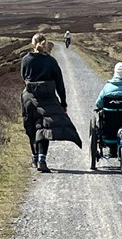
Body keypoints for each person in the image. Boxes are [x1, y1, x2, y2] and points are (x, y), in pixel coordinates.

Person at [21, 33, 82, 172]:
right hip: (48, 97)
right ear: (46, 44)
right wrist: (63, 102)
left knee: (31, 127)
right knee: (45, 127)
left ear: (33, 43)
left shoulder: (26, 60)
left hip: (29, 98)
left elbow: (23, 77)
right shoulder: (51, 61)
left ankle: (35, 157)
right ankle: (42, 158)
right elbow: (60, 83)